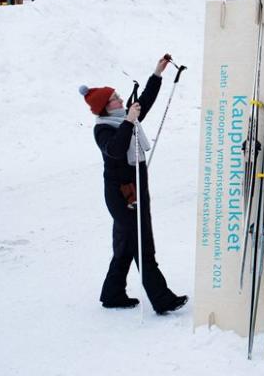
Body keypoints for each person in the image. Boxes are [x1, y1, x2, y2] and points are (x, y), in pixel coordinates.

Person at [79, 53, 187, 315]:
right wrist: (128, 121)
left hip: (136, 187)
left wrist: (157, 73)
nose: (120, 98)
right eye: (115, 97)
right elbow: (115, 150)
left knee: (126, 244)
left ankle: (113, 293)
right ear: (106, 106)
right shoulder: (104, 128)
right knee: (142, 243)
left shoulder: (124, 117)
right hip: (122, 195)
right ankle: (162, 299)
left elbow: (145, 101)